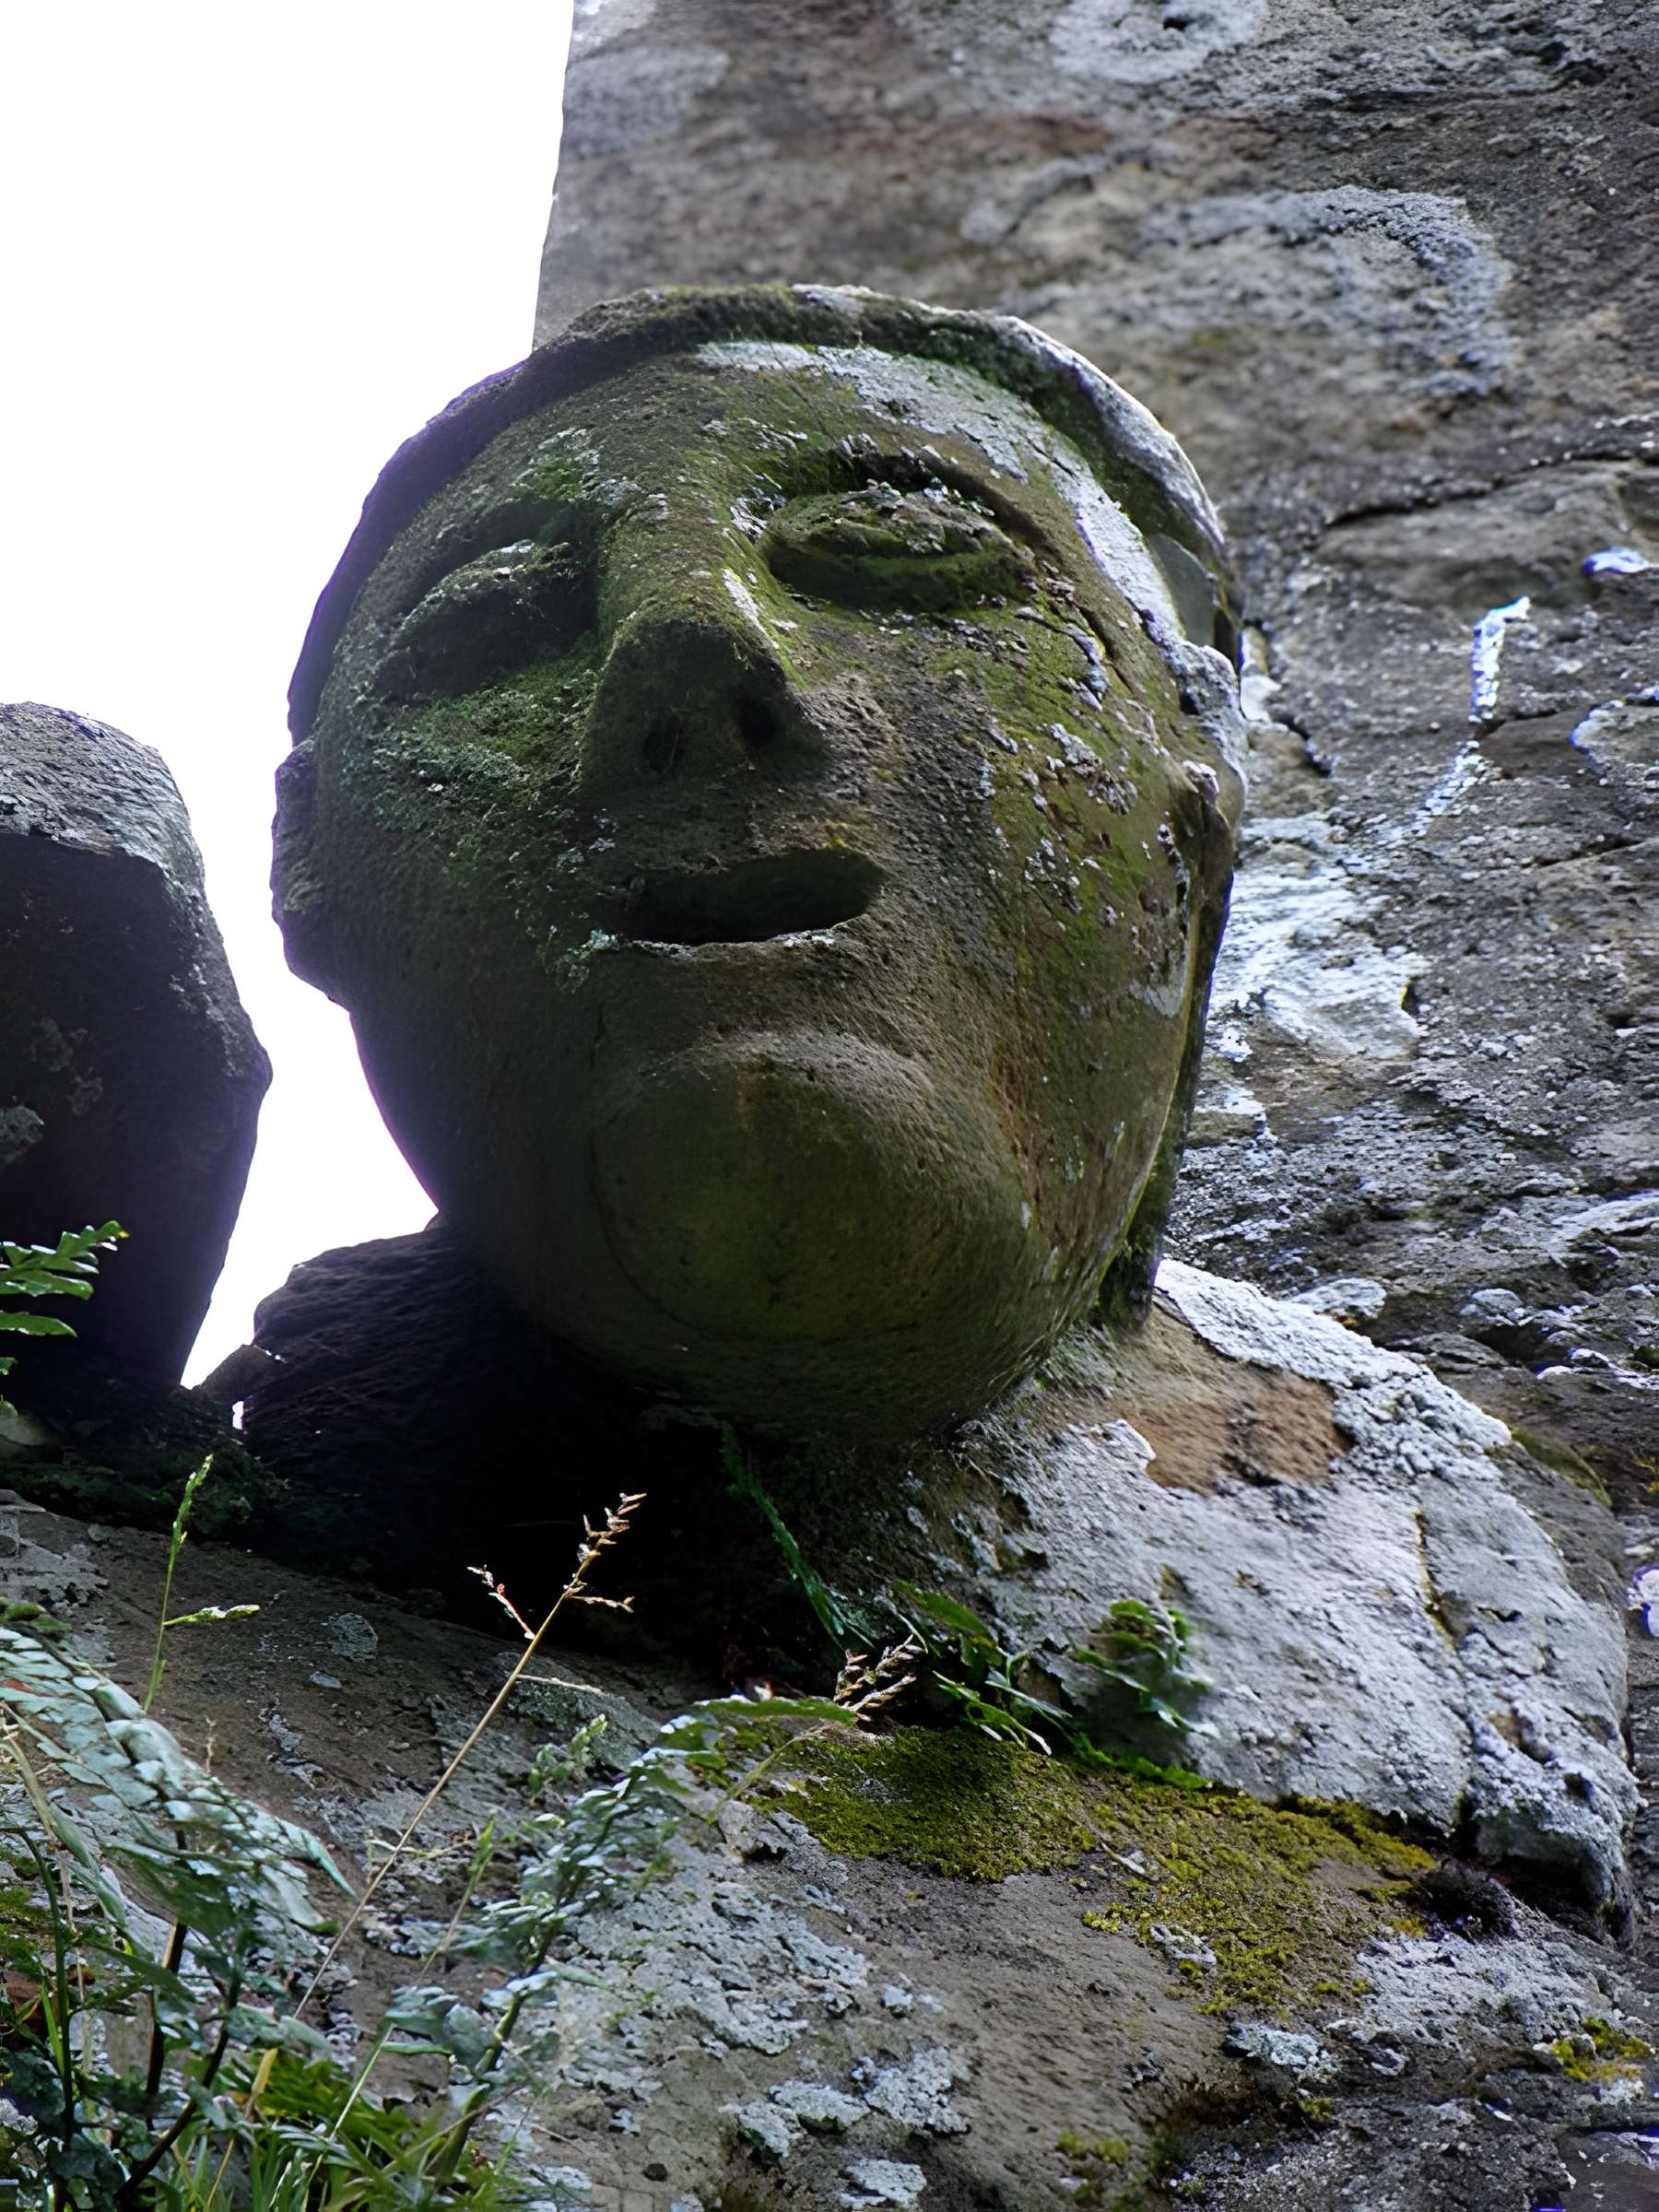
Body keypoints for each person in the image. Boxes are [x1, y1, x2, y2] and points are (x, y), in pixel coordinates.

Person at [275, 286, 1245, 1441]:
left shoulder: (1462, 1577)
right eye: (496, 617)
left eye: (899, 548)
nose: (685, 640)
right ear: (304, 864)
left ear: (1198, 810)